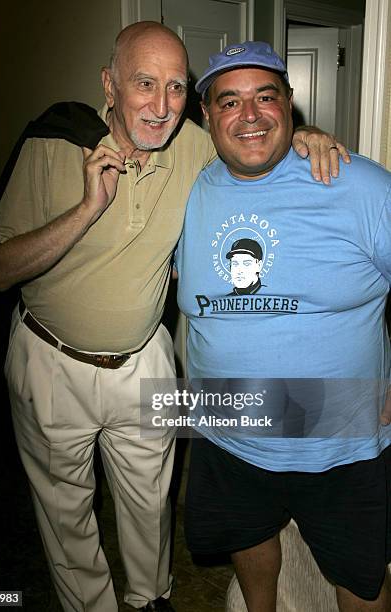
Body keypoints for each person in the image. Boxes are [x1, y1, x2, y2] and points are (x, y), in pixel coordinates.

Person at [0, 21, 348, 612]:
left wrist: (307, 134)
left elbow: (252, 134)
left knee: (151, 502)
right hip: (50, 360)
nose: (161, 106)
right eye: (144, 84)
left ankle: (151, 598)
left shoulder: (193, 147)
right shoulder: (51, 146)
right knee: (65, 510)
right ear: (110, 84)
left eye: (176, 88)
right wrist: (87, 208)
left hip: (147, 356)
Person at [174, 41, 391, 611]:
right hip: (227, 428)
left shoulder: (359, 186)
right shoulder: (185, 192)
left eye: (265, 97)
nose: (249, 115)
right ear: (206, 116)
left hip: (344, 440)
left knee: (361, 576)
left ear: (290, 106)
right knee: (249, 540)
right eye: (229, 101)